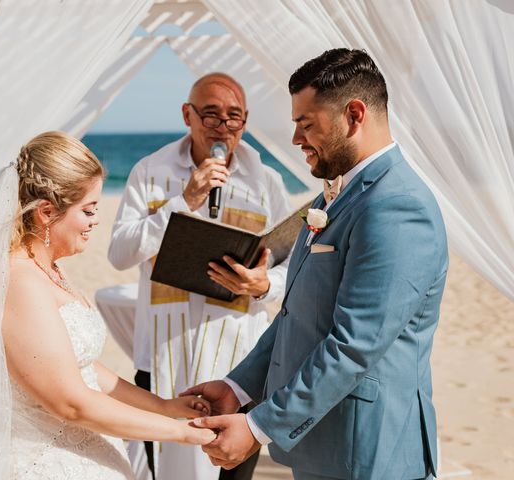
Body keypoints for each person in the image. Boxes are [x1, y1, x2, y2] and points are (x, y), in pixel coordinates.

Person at [184, 49, 448, 480]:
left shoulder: (397, 206)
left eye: (306, 124)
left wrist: (258, 427)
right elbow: (298, 315)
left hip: (369, 452)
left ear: (354, 115)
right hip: (324, 446)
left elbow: (353, 343)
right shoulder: (340, 194)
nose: (295, 140)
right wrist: (238, 387)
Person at [0, 131, 215, 480]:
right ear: (46, 212)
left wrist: (164, 406)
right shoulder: (20, 283)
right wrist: (181, 433)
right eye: (88, 210)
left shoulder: (48, 268)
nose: (96, 221)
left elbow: (81, 366)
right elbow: (69, 402)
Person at [108, 73, 292, 480]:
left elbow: (290, 268)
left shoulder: (268, 183)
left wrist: (264, 285)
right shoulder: (149, 172)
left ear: (245, 123)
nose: (222, 127)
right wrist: (184, 201)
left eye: (234, 117)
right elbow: (119, 254)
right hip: (164, 355)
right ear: (186, 115)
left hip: (239, 364)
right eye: (210, 115)